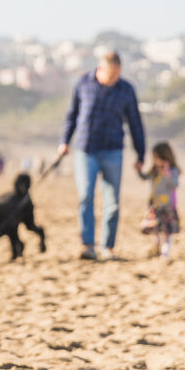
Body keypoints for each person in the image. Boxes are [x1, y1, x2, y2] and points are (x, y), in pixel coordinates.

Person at [58, 51, 145, 261]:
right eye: (111, 74)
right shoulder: (83, 84)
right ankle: (88, 245)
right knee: (86, 196)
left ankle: (108, 248)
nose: (114, 79)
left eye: (117, 74)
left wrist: (140, 153)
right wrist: (64, 141)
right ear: (100, 69)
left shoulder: (126, 90)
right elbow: (72, 115)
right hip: (85, 149)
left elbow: (135, 123)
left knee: (112, 201)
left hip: (113, 150)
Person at [139, 141, 181, 259]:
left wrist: (167, 174)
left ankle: (165, 251)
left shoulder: (172, 171)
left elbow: (174, 185)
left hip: (168, 206)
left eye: (158, 158)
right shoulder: (154, 170)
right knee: (156, 228)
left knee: (167, 231)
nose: (157, 162)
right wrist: (139, 171)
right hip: (155, 205)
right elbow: (145, 178)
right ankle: (157, 245)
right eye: (155, 159)